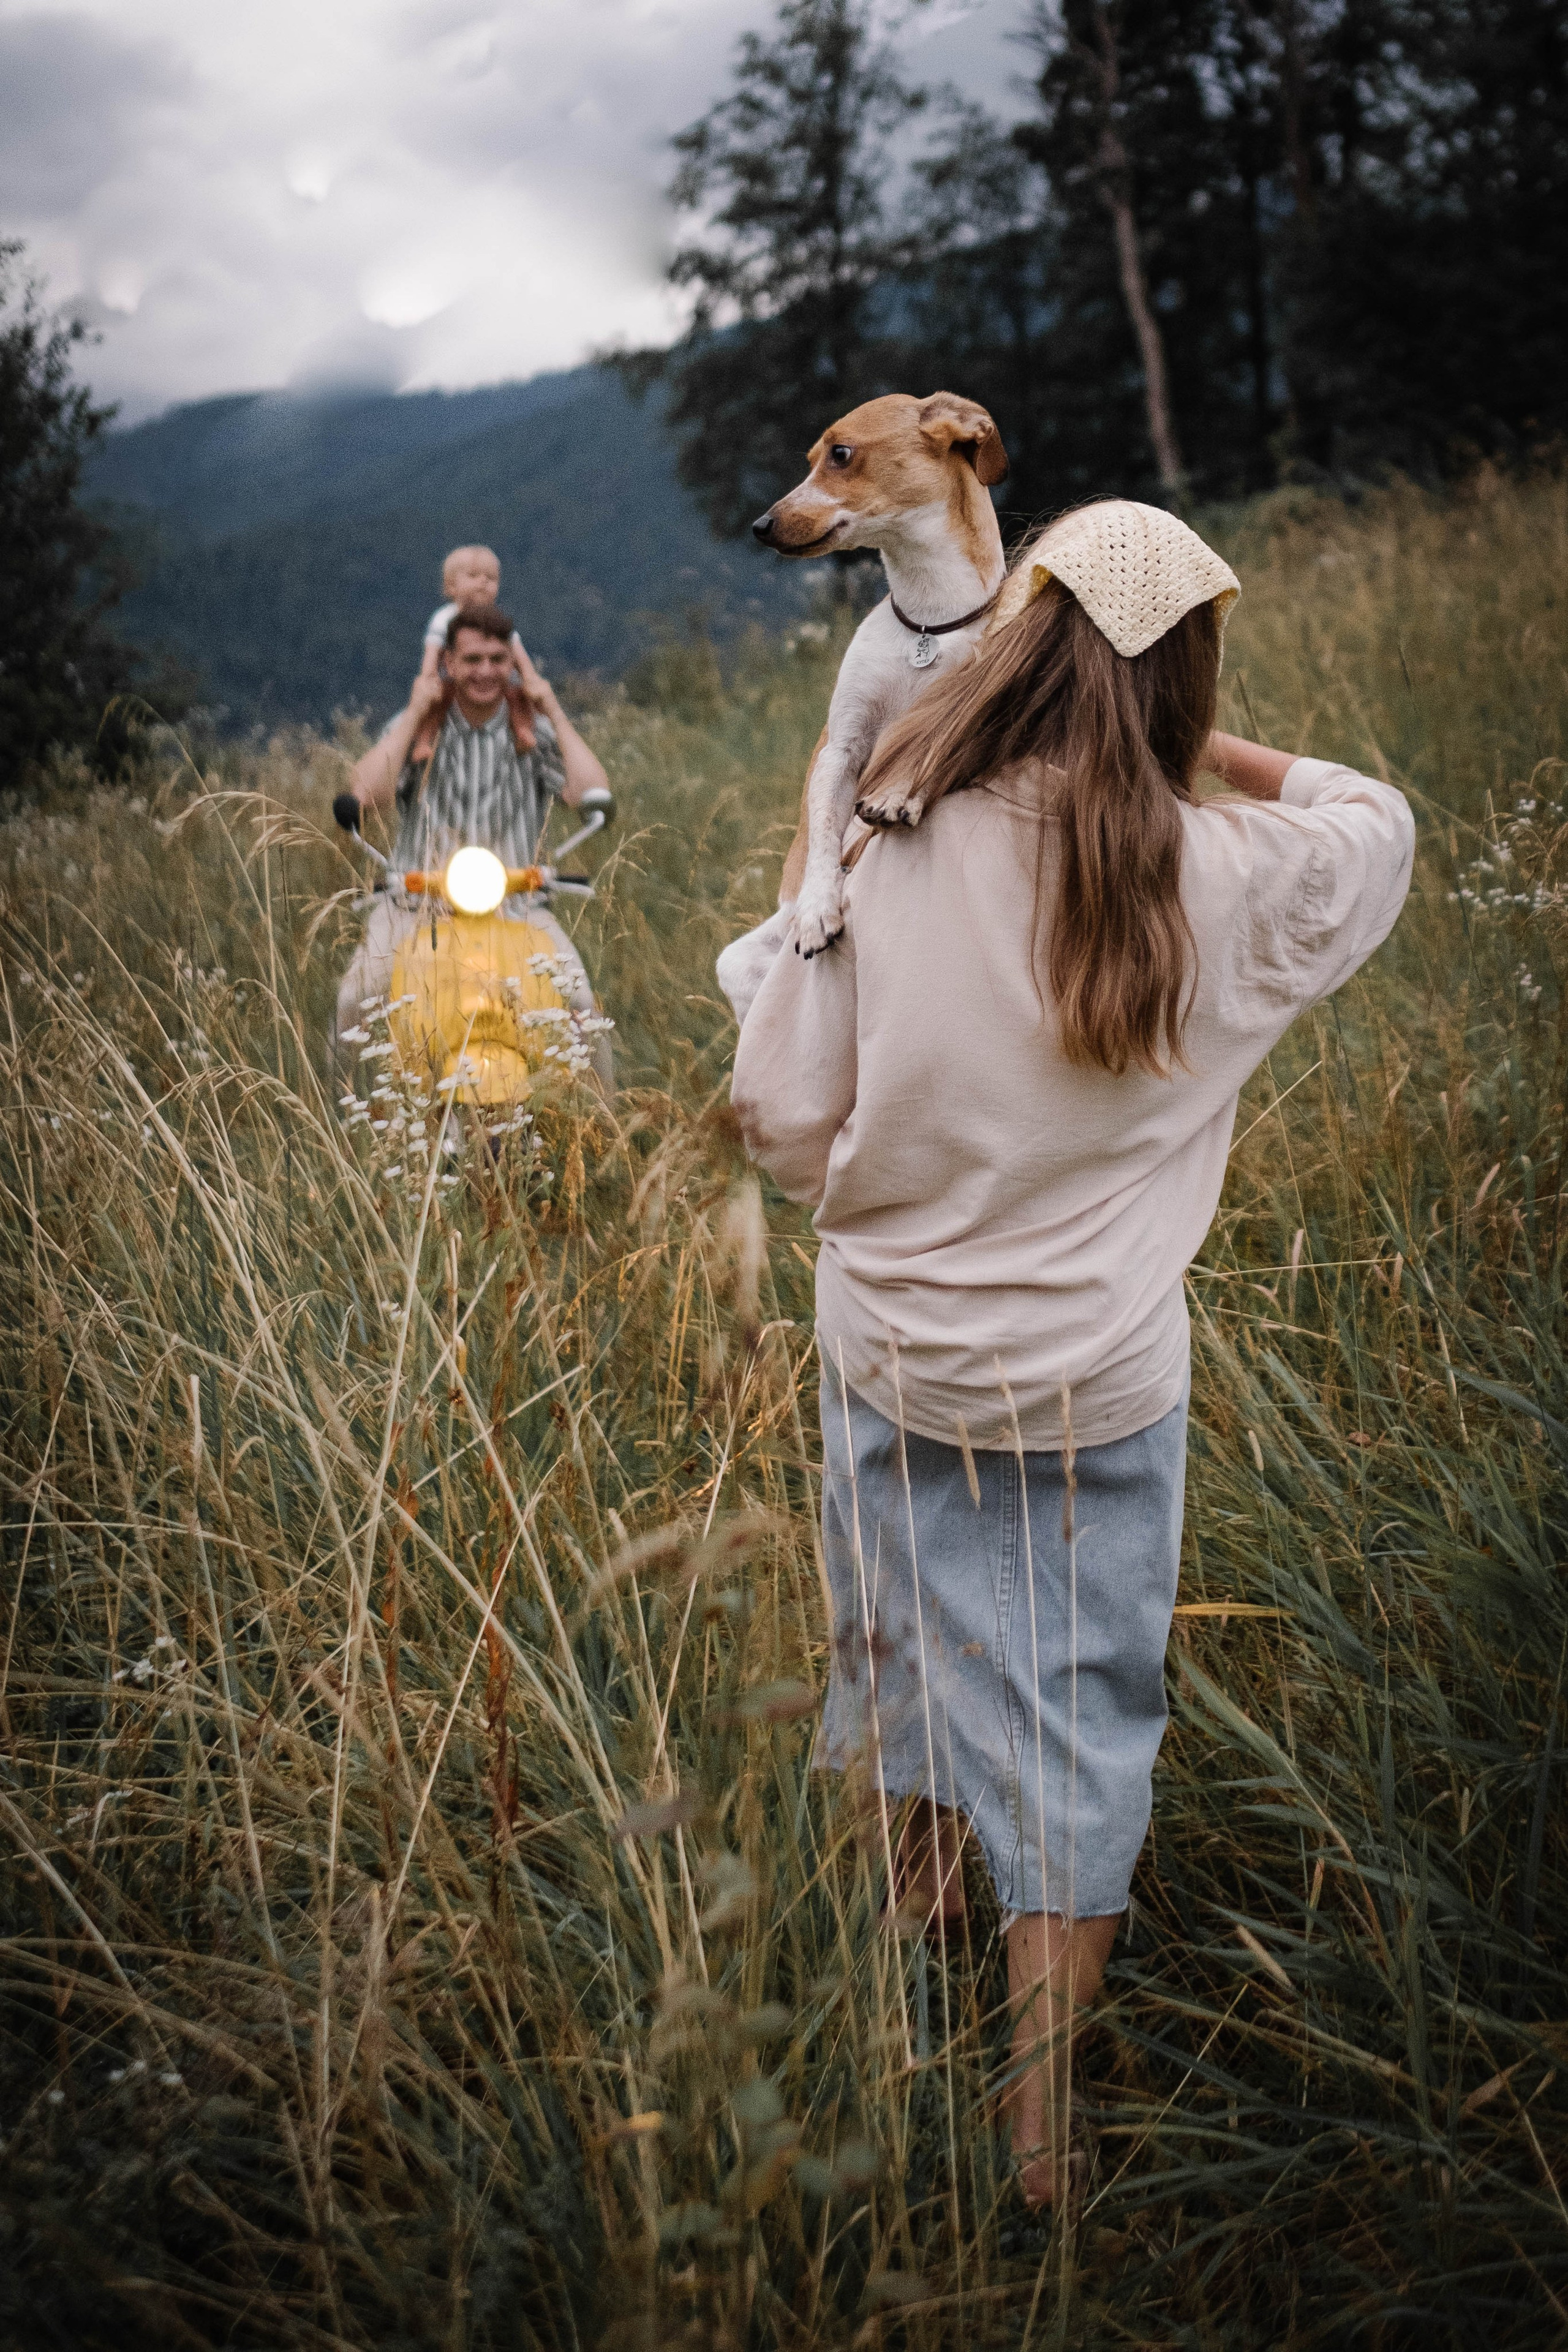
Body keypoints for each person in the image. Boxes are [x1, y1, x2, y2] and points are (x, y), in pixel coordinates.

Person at [729, 499, 1414, 2209]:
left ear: (1021, 639)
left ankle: (907, 1959)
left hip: (894, 1342)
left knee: (892, 1640)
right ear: (1182, 672)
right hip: (1097, 1374)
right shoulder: (1226, 867)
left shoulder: (894, 830)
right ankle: (1041, 2129)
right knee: (1081, 1711)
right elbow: (1376, 821)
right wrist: (1194, 742)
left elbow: (778, 1114)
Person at [334, 600, 614, 1094]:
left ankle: (602, 1133)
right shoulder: (420, 725)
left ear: (513, 665)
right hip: (417, 903)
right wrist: (418, 706)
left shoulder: (533, 727)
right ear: (448, 664)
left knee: (581, 1005)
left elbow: (587, 792)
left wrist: (549, 702)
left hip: (517, 902)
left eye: (496, 659)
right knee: (359, 997)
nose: (485, 671)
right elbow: (367, 795)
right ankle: (350, 1126)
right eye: (471, 660)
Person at [417, 544, 505, 678]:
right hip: (450, 683)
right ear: (451, 586)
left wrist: (531, 678)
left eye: (491, 577)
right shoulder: (445, 618)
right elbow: (432, 652)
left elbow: (516, 650)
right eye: (473, 575)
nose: (483, 581)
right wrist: (428, 679)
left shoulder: (498, 619)